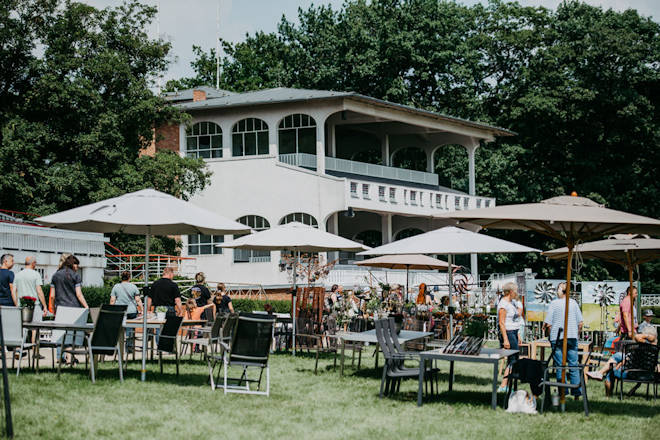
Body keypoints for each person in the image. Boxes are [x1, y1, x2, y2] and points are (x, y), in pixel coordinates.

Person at [587, 324, 657, 396]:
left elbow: (636, 337)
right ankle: (600, 373)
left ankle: (608, 395)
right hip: (647, 375)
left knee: (611, 370)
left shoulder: (639, 347)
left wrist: (646, 335)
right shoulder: (654, 350)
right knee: (619, 357)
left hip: (631, 374)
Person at [543, 282, 583, 398]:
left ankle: (563, 392)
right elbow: (580, 323)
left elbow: (549, 324)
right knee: (573, 365)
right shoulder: (574, 303)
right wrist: (576, 334)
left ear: (560, 291)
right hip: (572, 337)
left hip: (557, 337)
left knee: (560, 365)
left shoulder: (554, 304)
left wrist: (550, 337)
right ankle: (576, 392)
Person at [498, 282, 523, 391]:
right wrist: (506, 339)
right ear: (511, 292)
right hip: (508, 333)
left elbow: (514, 320)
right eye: (515, 291)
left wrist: (518, 335)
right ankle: (504, 385)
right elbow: (501, 323)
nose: (516, 293)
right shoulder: (503, 304)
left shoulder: (512, 303)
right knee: (513, 359)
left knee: (513, 359)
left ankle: (506, 384)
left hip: (514, 332)